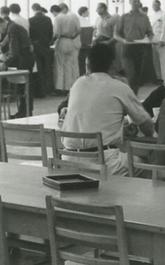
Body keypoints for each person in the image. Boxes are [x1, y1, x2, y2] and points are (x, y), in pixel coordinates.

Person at [62, 43, 153, 175]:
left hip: (68, 162)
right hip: (104, 163)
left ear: (88, 65)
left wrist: (119, 130)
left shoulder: (78, 83)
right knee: (149, 165)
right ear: (112, 64)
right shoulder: (119, 86)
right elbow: (148, 129)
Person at [0, 15, 34, 118]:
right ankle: (23, 112)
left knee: (24, 87)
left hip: (24, 60)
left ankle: (26, 112)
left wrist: (5, 63)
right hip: (27, 58)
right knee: (23, 88)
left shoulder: (12, 28)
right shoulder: (13, 26)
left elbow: (14, 50)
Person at [115, 0, 154, 93]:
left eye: (138, 1)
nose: (136, 3)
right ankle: (128, 95)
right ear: (130, 2)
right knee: (130, 75)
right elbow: (116, 34)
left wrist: (149, 38)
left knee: (137, 77)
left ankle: (133, 96)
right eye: (134, 1)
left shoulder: (144, 17)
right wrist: (123, 40)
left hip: (140, 48)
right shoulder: (124, 17)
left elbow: (150, 32)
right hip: (127, 48)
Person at [52, 3, 81, 94]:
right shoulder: (70, 17)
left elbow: (57, 33)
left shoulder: (58, 18)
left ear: (54, 11)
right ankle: (68, 88)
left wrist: (52, 41)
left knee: (59, 65)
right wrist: (72, 37)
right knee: (68, 65)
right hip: (70, 41)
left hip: (62, 41)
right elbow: (79, 30)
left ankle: (59, 88)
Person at [29, 3, 54, 99]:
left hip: (36, 46)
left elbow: (30, 35)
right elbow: (51, 33)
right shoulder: (48, 19)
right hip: (46, 45)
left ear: (33, 10)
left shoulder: (31, 20)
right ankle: (48, 89)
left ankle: (40, 90)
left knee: (38, 69)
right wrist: (48, 42)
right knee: (47, 68)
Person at [150, 0, 165, 82]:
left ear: (159, 5)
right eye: (152, 5)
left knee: (162, 60)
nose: (153, 7)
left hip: (160, 40)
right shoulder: (154, 16)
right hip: (153, 40)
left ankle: (163, 78)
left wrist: (162, 40)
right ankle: (158, 77)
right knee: (155, 60)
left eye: (154, 5)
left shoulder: (164, 15)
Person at [77, 6, 94, 75]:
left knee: (81, 61)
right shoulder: (83, 21)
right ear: (83, 13)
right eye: (87, 11)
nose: (88, 13)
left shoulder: (80, 20)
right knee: (83, 60)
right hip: (84, 44)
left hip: (80, 43)